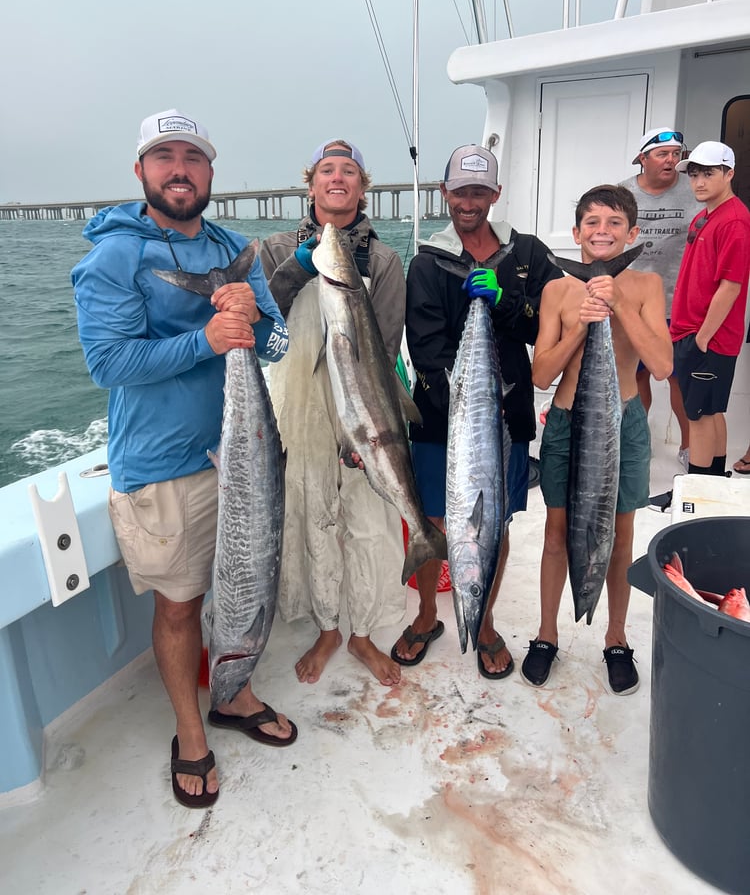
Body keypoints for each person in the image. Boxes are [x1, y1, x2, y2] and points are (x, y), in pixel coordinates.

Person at [72, 109, 295, 809]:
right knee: (179, 606)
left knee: (249, 586)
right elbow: (108, 363)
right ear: (140, 171)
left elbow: (279, 346)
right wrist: (209, 339)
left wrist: (255, 321)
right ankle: (190, 731)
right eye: (163, 156)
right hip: (165, 466)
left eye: (192, 157)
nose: (179, 169)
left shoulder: (236, 248)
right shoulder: (114, 256)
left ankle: (235, 692)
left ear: (210, 171)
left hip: (247, 454)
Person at [390, 145, 563, 678]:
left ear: (495, 195)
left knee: (494, 522)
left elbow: (543, 326)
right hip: (445, 419)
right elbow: (424, 346)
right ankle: (425, 616)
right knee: (435, 522)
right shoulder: (425, 261)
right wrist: (467, 406)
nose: (469, 202)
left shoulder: (528, 255)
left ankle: (483, 623)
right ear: (446, 193)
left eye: (479, 191)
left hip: (505, 418)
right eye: (460, 191)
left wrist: (505, 301)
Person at [259, 140, 407, 687]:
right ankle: (327, 627)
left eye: (349, 171)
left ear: (362, 188)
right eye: (327, 170)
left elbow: (386, 350)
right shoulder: (276, 249)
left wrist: (364, 427)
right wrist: (298, 270)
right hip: (296, 403)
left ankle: (362, 632)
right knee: (312, 514)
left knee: (367, 524)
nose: (337, 177)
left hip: (359, 407)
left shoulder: (384, 261)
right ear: (312, 185)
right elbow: (262, 322)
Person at [522, 184, 672, 694]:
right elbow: (541, 374)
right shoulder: (556, 291)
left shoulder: (648, 285)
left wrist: (617, 303)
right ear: (576, 233)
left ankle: (615, 637)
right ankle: (546, 634)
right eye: (592, 223)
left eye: (613, 224)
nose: (602, 232)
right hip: (567, 423)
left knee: (620, 536)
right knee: (556, 533)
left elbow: (662, 364)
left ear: (632, 233)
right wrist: (583, 324)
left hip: (623, 424)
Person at [650, 142, 750, 507]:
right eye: (694, 174)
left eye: (708, 173)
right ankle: (714, 483)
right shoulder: (706, 215)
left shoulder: (735, 221)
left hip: (708, 337)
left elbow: (731, 285)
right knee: (710, 411)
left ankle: (693, 491)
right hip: (691, 331)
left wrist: (702, 338)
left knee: (699, 416)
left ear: (729, 174)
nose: (698, 181)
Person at [621, 127, 702, 470]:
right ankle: (639, 441)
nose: (671, 160)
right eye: (662, 154)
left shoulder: (693, 191)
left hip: (679, 302)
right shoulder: (622, 192)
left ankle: (688, 446)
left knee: (678, 378)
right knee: (636, 376)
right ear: (642, 159)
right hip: (635, 303)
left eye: (676, 154)